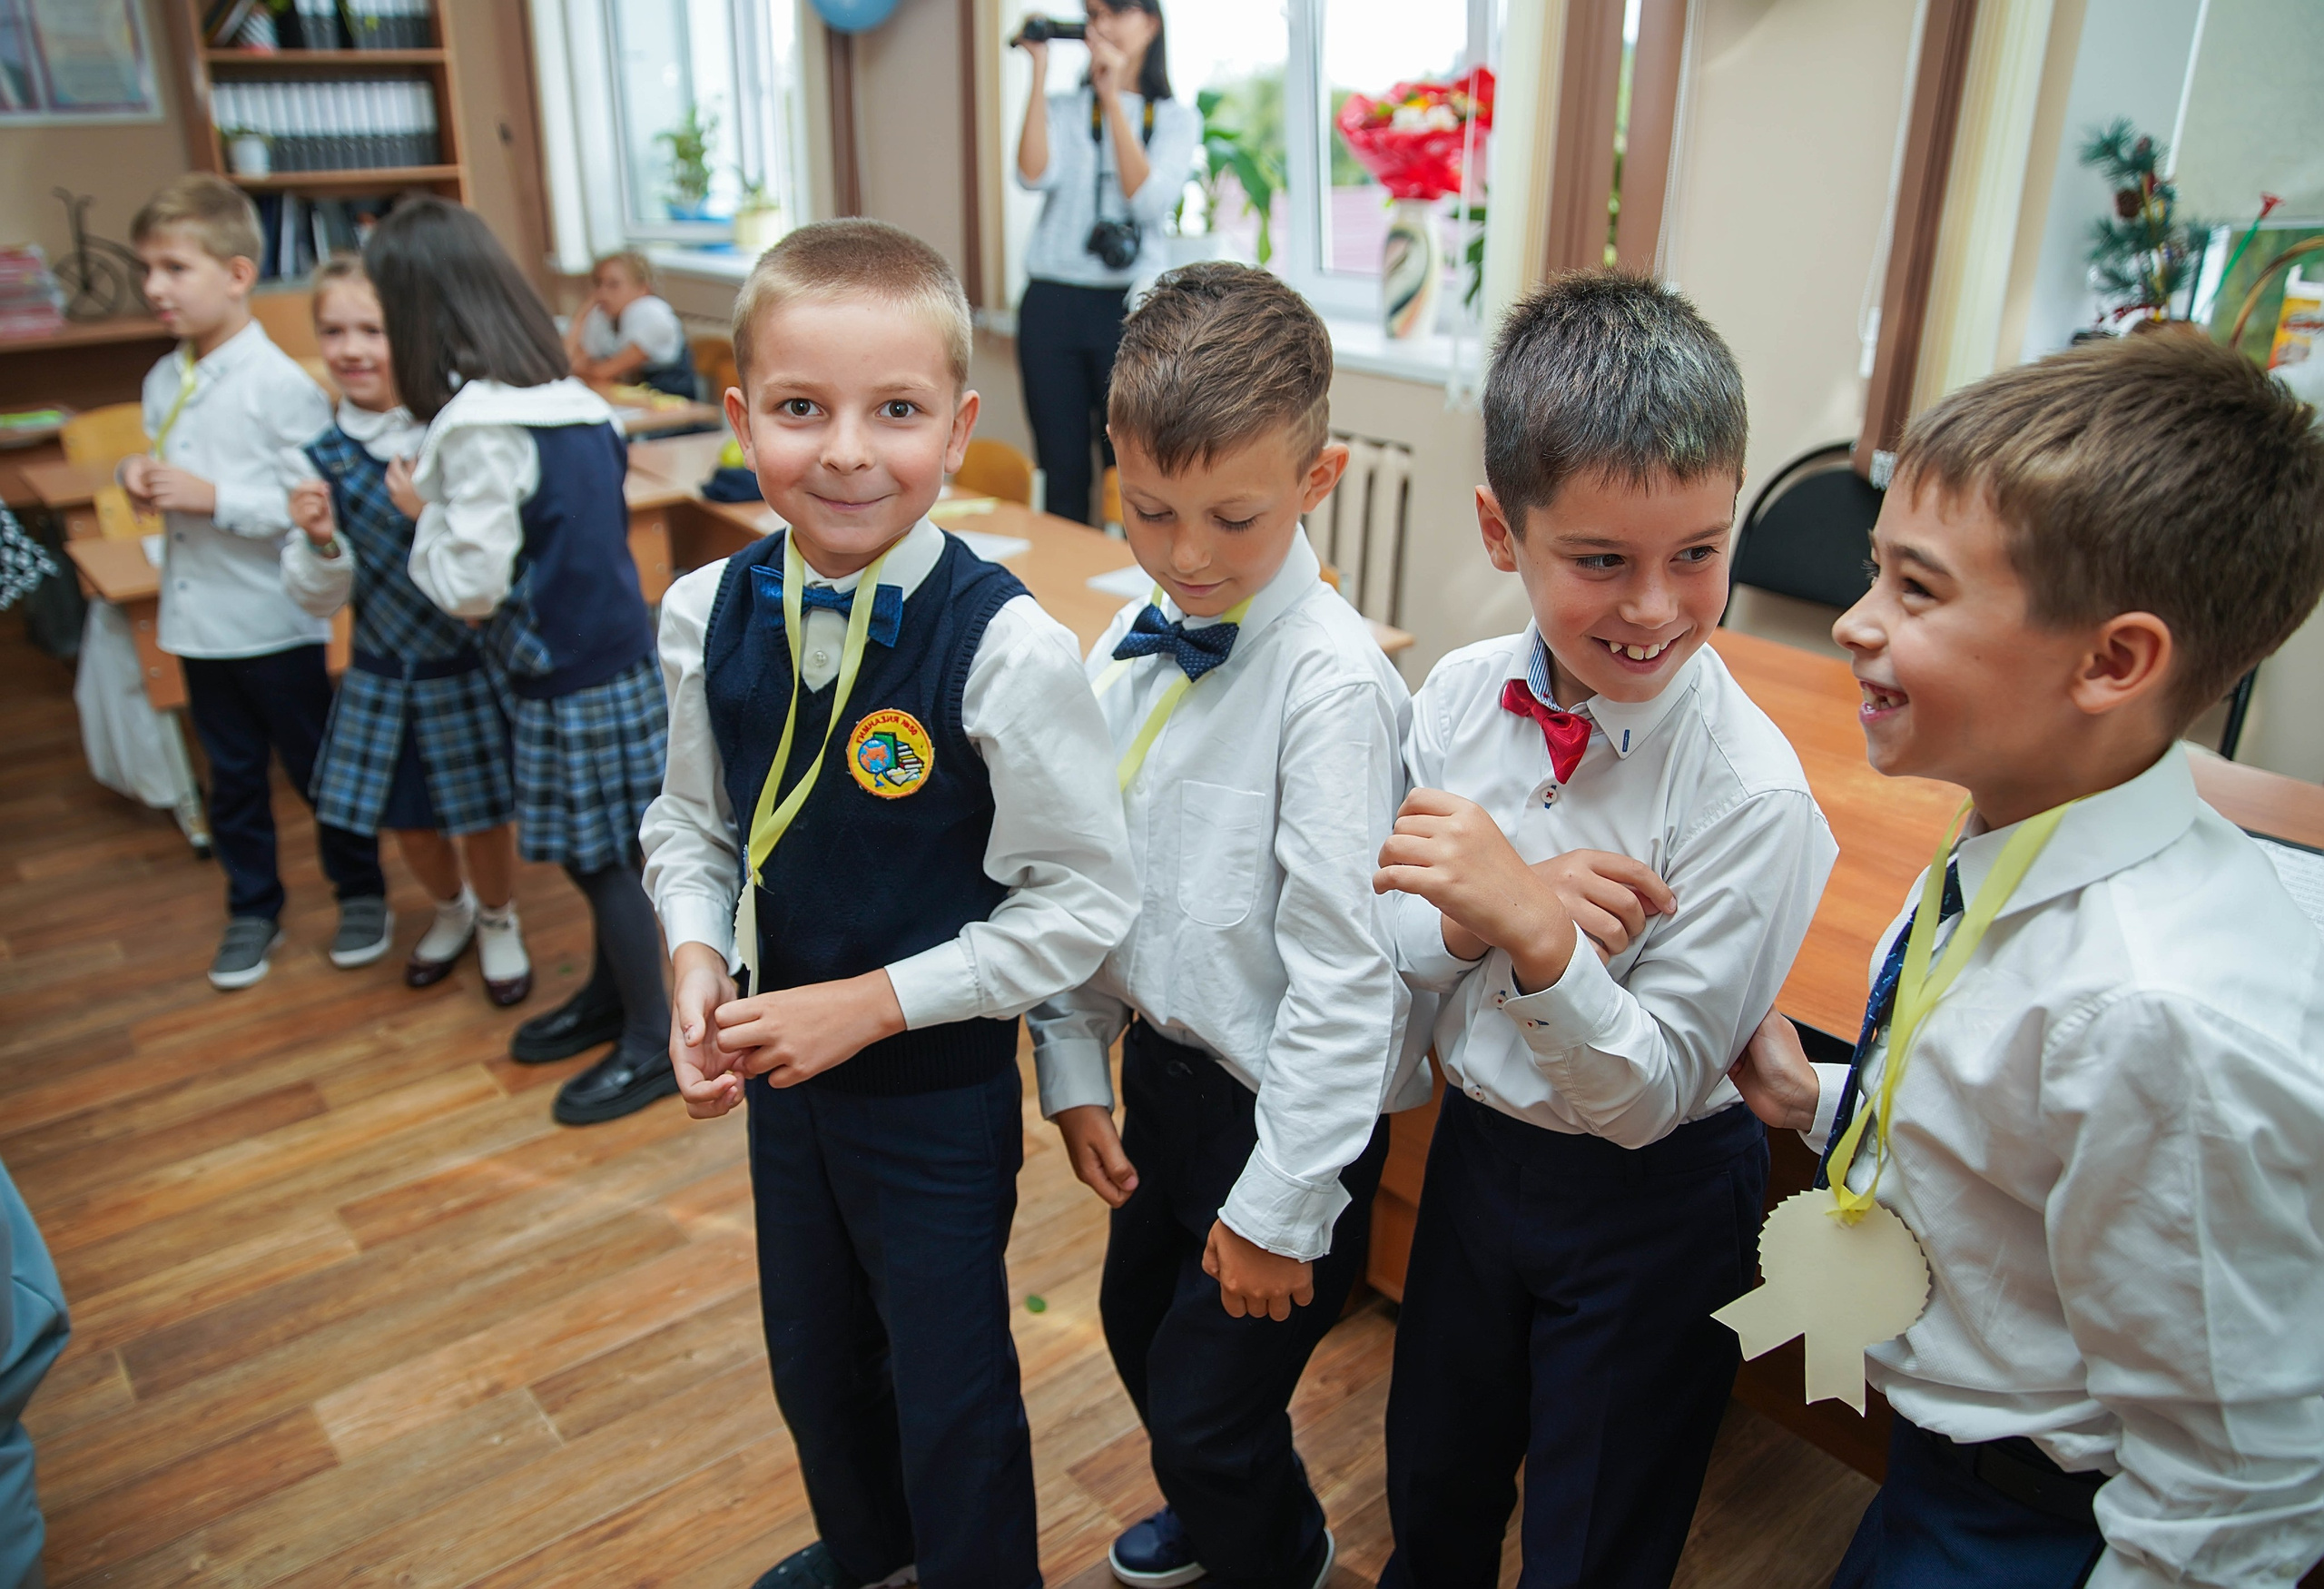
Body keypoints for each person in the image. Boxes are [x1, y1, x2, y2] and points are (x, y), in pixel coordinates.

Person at [1727, 334, 2324, 1589]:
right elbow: (2013, 1146)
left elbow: (2233, 1492)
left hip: (2041, 1526)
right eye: (1874, 570)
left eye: (1919, 591)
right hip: (1938, 1471)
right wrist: (1823, 1103)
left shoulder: (2154, 1018)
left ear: (2112, 662)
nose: (1855, 620)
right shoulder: (2013, 816)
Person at [641, 219, 1137, 1589]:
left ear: (959, 423)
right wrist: (693, 953)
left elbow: (1085, 898)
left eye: (897, 411)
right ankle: (869, 1550)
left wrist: (875, 1003)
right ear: (744, 418)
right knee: (811, 1347)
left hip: (932, 1092)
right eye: (802, 409)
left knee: (951, 1378)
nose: (848, 451)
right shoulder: (703, 608)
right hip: (782, 1078)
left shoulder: (1013, 649)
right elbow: (691, 821)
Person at [1371, 272, 1837, 1588]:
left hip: (1656, 1203)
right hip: (1474, 1160)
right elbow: (1395, 950)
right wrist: (1480, 928)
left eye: (1698, 552)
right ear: (1498, 529)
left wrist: (1532, 927)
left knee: (1595, 1539)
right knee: (1436, 1478)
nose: (1654, 608)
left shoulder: (1754, 793)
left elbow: (1646, 1095)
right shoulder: (1458, 698)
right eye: (1600, 561)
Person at [1028, 262, 1421, 1589]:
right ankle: (1230, 1502)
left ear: (1321, 480)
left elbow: (1347, 985)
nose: (1186, 555)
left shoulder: (1332, 690)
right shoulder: (1136, 636)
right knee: (1140, 1329)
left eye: (1233, 518)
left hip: (1291, 1112)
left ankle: (1277, 1553)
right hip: (1172, 1083)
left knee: (1207, 1399)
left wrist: (1281, 1209)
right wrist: (1077, 1067)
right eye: (1148, 511)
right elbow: (1079, 873)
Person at [365, 199, 671, 1126]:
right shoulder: (575, 402)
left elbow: (470, 584)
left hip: (564, 677)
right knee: (606, 852)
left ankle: (654, 1040)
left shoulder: (476, 425)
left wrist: (423, 517)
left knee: (603, 861)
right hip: (614, 659)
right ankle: (613, 998)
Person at [118, 173, 390, 992]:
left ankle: (361, 891)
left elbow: (320, 502)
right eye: (148, 270)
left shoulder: (279, 386)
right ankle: (252, 906)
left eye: (174, 268)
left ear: (237, 275)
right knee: (230, 777)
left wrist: (217, 499)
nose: (154, 288)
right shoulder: (165, 378)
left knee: (318, 771)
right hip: (196, 623)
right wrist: (143, 473)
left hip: (272, 622)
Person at [283, 254, 533, 1005]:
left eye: (373, 329)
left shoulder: (454, 433)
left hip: (464, 663)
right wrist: (323, 542)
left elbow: (496, 554)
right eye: (334, 331)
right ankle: (451, 911)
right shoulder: (318, 454)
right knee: (413, 824)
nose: (352, 348)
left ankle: (497, 917)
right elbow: (315, 597)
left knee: (483, 817)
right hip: (382, 670)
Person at [1011, 0, 1200, 525]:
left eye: (1117, 10)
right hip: (1051, 301)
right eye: (1093, 12)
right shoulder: (1064, 108)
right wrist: (1040, 71)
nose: (1103, 24)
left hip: (1127, 308)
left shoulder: (1175, 119)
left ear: (1152, 23)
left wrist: (1113, 99)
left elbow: (1146, 202)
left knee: (1133, 469)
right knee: (1062, 467)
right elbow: (1030, 176)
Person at [565, 251, 698, 400]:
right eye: (598, 284)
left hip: (671, 405)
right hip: (633, 401)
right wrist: (580, 318)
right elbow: (566, 364)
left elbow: (602, 372)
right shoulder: (603, 316)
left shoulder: (651, 313)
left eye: (613, 285)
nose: (601, 293)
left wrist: (584, 369)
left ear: (643, 288)